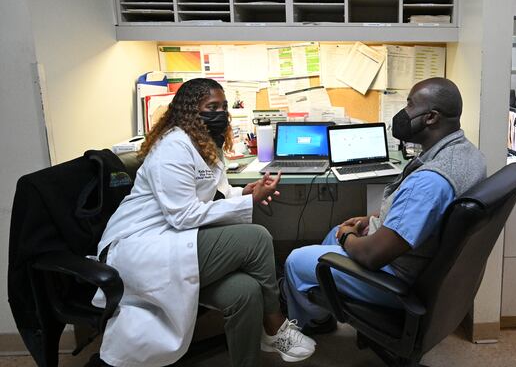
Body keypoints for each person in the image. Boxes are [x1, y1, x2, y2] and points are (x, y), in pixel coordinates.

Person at [93, 78, 315, 367]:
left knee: (245, 292)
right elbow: (183, 214)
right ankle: (275, 326)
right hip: (140, 248)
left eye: (223, 107)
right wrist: (246, 203)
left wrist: (243, 193)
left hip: (175, 241)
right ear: (189, 111)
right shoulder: (172, 147)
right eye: (212, 107)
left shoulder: (204, 145)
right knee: (257, 237)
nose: (220, 113)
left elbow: (208, 195)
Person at [282, 77, 487, 333]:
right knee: (331, 233)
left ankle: (303, 327)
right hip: (421, 262)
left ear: (431, 117)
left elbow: (372, 255)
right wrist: (372, 221)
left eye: (410, 105)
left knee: (295, 260)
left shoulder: (431, 182)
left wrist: (348, 237)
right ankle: (325, 311)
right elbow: (421, 213)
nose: (404, 113)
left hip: (394, 279)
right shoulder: (467, 153)